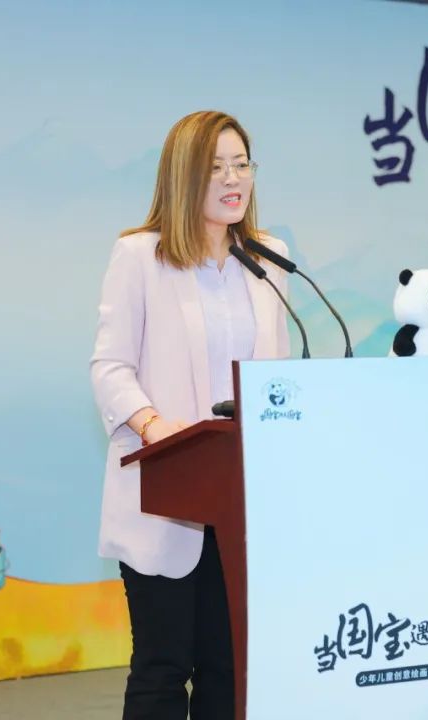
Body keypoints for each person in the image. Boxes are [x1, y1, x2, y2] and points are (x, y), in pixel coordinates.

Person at [90, 110, 291, 719]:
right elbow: (110, 368)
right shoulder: (140, 256)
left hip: (240, 498)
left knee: (230, 668)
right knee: (162, 666)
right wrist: (154, 426)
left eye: (242, 164)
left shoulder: (270, 258)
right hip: (166, 489)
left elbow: (275, 377)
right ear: (183, 177)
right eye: (215, 168)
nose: (233, 179)